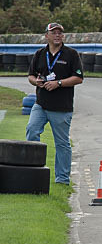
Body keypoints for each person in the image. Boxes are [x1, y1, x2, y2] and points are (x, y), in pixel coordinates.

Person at [26, 23, 84, 185]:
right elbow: (30, 75)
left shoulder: (71, 54)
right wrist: (36, 82)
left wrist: (58, 83)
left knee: (62, 143)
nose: (57, 35)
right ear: (47, 36)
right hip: (41, 104)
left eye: (60, 33)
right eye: (54, 33)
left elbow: (78, 78)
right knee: (31, 131)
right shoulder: (40, 54)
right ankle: (32, 170)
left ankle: (62, 179)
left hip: (61, 107)